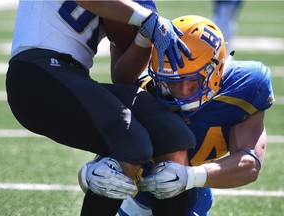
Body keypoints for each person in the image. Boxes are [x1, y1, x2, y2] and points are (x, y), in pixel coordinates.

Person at [5, 1, 194, 215]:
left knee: (171, 134)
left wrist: (143, 36)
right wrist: (145, 19)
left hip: (69, 76)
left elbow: (122, 76)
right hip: (35, 74)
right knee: (131, 142)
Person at [117, 15, 275, 215]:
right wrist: (90, 174)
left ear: (215, 69)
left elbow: (249, 165)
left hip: (194, 192)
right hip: (136, 193)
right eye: (173, 81)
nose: (183, 91)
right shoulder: (143, 90)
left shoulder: (245, 85)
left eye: (193, 81)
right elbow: (108, 157)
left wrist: (190, 177)